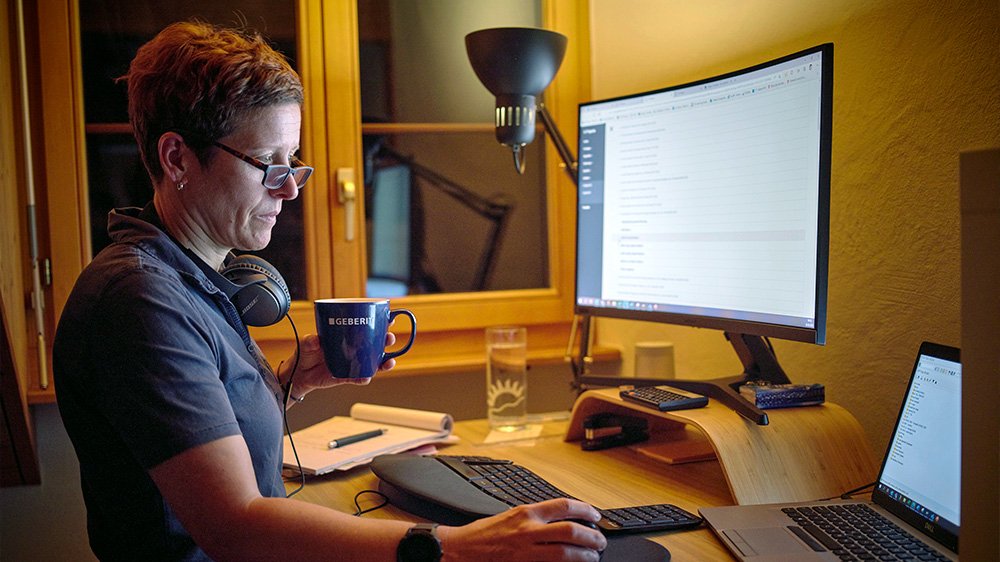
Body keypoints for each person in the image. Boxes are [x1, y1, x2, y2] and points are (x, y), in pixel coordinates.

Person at [53, 20, 606, 562]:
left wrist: (285, 385)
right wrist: (456, 547)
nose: (290, 188)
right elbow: (236, 528)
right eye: (267, 164)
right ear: (177, 158)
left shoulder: (194, 280)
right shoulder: (141, 300)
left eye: (292, 163)